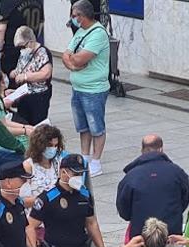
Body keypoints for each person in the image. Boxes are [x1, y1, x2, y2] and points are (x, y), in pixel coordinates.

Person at [62, 0, 110, 178]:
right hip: (78, 87)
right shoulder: (80, 32)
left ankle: (96, 161)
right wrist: (72, 63)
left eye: (75, 16)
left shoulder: (97, 34)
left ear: (83, 16)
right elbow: (66, 55)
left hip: (93, 89)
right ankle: (85, 156)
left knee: (96, 126)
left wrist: (73, 60)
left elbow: (79, 58)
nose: (72, 19)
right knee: (83, 127)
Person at [115, 134, 189, 239]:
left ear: (142, 150)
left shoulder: (131, 177)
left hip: (141, 236)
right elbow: (184, 200)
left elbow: (124, 210)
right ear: (161, 149)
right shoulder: (177, 172)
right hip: (171, 234)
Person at [8, 26, 52, 126]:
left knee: (37, 126)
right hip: (23, 94)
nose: (21, 49)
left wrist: (26, 77)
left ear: (31, 41)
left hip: (38, 97)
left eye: (23, 46)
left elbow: (46, 73)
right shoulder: (25, 52)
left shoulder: (42, 52)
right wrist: (15, 73)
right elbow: (21, 67)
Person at [0, 0, 44, 74]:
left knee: (12, 79)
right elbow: (41, 24)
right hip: (32, 47)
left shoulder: (8, 2)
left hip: (12, 49)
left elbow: (0, 29)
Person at [22, 124, 64, 204]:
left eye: (56, 146)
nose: (53, 149)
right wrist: (46, 199)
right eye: (49, 145)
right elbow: (23, 201)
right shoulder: (28, 166)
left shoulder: (59, 162)